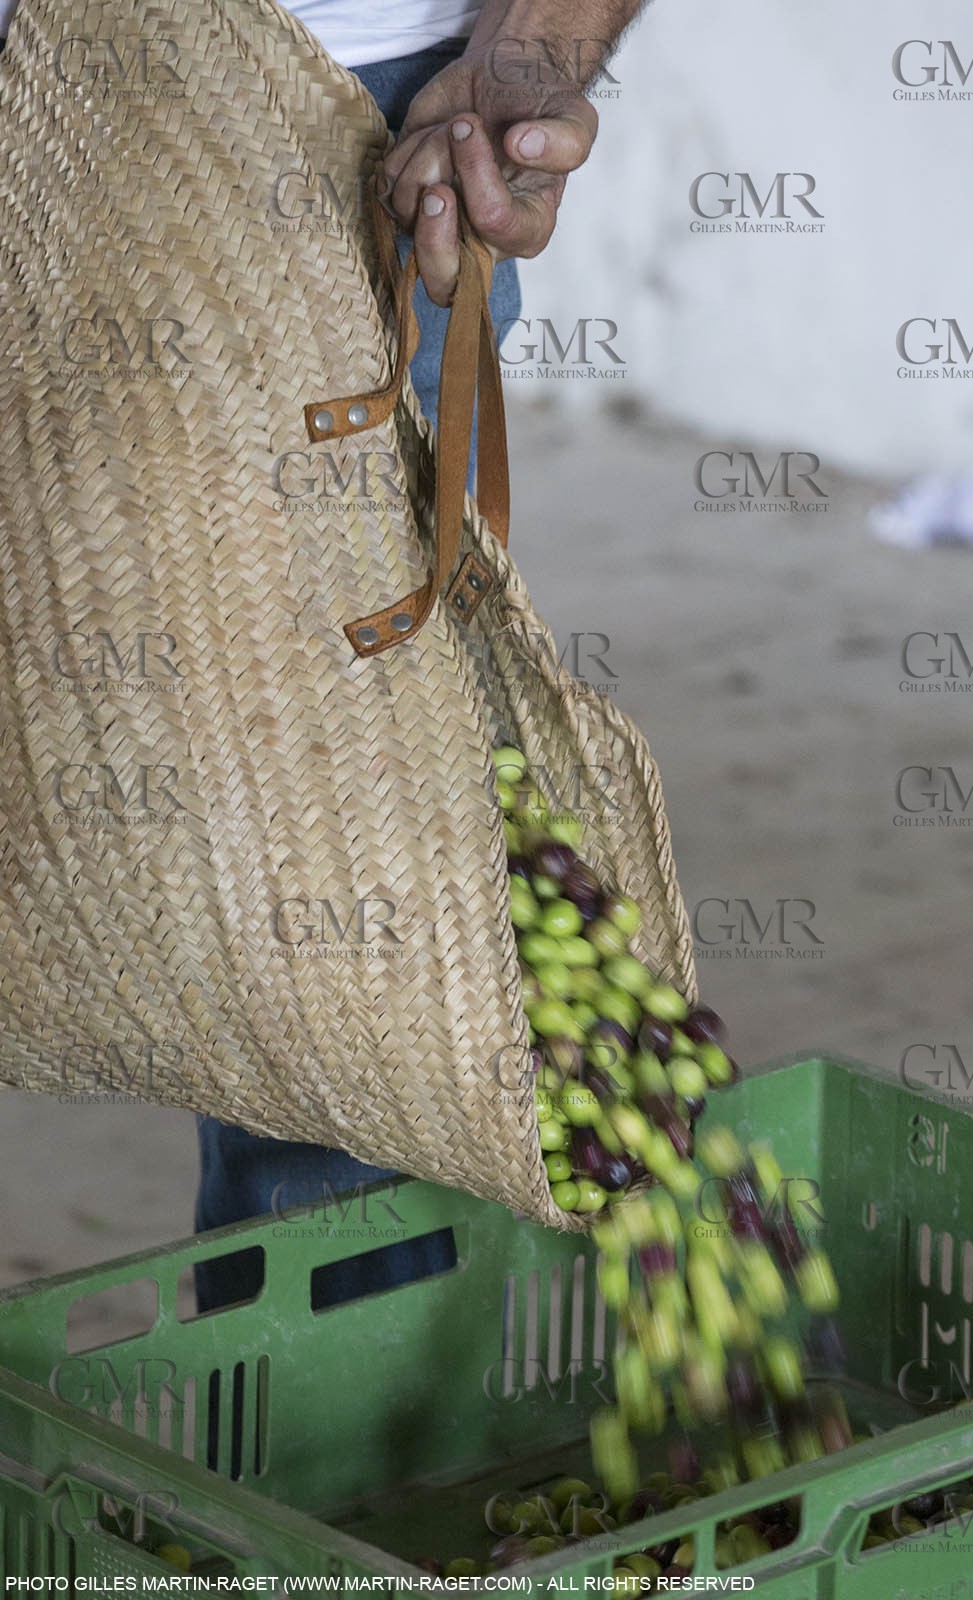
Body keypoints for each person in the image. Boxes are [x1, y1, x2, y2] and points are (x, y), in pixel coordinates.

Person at [0, 0, 645, 1307]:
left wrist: (532, 52)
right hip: (37, 70)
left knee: (341, 921)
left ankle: (343, 1442)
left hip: (355, 105)